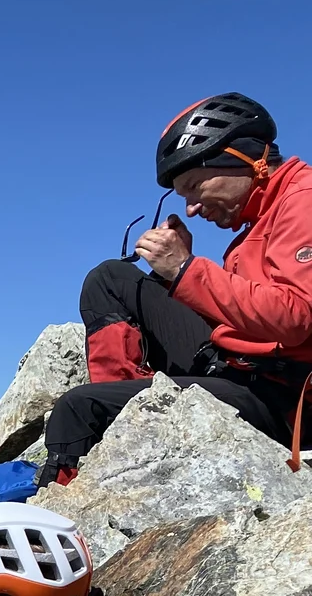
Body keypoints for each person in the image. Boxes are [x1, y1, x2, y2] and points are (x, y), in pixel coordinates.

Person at [40, 92, 312, 486]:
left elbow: (296, 318)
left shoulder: (303, 202)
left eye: (195, 186)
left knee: (79, 407)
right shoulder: (261, 218)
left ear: (244, 159)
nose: (192, 208)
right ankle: (135, 411)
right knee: (111, 279)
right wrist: (177, 276)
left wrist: (185, 269)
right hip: (241, 366)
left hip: (282, 397)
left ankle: (80, 479)